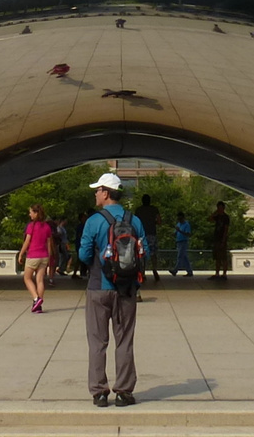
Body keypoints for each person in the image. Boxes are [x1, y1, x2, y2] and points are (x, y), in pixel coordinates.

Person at [78, 172, 147, 408]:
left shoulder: (94, 221)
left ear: (106, 193)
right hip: (126, 289)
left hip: (98, 288)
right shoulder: (134, 220)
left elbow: (83, 254)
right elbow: (144, 252)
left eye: (97, 190)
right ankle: (124, 392)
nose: (95, 194)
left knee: (97, 342)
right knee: (124, 340)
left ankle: (99, 392)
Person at [21, 204, 53, 313]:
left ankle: (36, 298)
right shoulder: (47, 227)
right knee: (40, 280)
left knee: (27, 278)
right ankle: (38, 306)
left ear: (36, 213)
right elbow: (49, 243)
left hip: (33, 255)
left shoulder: (31, 226)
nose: (29, 214)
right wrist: (49, 257)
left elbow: (27, 241)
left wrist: (21, 254)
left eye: (31, 212)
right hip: (44, 256)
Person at [135, 193, 162, 283]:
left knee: (141, 254)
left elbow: (135, 222)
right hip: (152, 233)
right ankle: (154, 269)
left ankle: (142, 272)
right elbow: (159, 221)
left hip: (141, 235)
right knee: (153, 254)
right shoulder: (154, 209)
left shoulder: (138, 210)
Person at [208, 201, 231, 280]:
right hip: (216, 238)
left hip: (222, 239)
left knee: (223, 257)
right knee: (217, 257)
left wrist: (223, 240)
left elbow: (226, 229)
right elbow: (209, 219)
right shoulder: (217, 216)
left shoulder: (226, 217)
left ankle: (224, 274)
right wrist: (215, 213)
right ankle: (217, 273)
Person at [173, 211, 194, 276]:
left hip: (183, 241)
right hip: (178, 241)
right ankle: (189, 271)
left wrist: (180, 231)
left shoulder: (186, 224)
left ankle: (175, 270)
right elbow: (176, 232)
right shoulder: (178, 224)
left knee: (180, 256)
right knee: (184, 257)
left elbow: (188, 234)